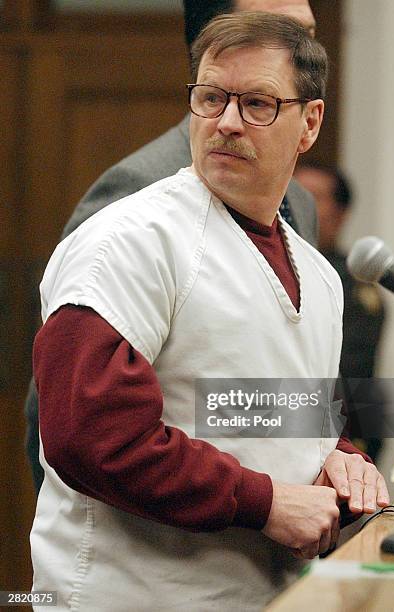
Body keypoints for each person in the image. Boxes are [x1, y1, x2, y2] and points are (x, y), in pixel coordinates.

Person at [31, 13, 389, 611]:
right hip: (127, 597)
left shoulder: (320, 276)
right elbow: (92, 435)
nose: (225, 122)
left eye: (256, 104)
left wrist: (340, 461)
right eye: (211, 98)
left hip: (264, 594)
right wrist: (266, 501)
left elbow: (265, 412)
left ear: (311, 123)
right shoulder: (130, 239)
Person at [25, 0, 320, 493]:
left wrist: (342, 449)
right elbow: (69, 413)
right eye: (281, 31)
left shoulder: (299, 205)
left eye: (308, 33)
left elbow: (250, 391)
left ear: (310, 122)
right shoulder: (135, 197)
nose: (304, 52)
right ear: (216, 42)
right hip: (142, 542)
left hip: (257, 547)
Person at [295, 163, 386, 461]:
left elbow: (346, 378)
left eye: (310, 196)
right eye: (292, 194)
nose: (295, 204)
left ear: (341, 213)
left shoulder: (355, 285)